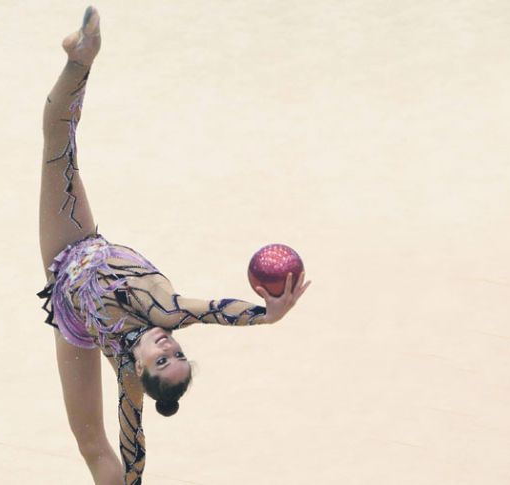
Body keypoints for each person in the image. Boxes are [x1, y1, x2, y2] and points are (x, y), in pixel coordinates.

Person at [36, 6, 312, 485]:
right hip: (83, 244)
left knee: (93, 446)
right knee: (60, 146)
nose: (169, 347)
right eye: (179, 355)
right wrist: (265, 315)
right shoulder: (164, 310)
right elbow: (213, 310)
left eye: (161, 361)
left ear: (141, 370)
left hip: (71, 311)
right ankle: (80, 59)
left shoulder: (128, 382)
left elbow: (133, 445)